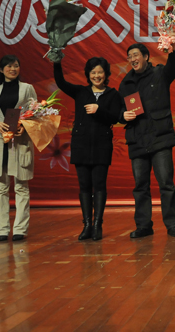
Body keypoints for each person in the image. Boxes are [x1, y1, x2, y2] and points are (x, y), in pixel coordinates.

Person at [119, 42, 175, 238]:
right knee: (140, 186)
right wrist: (123, 115)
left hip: (160, 137)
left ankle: (172, 225)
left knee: (166, 183)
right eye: (129, 56)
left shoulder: (160, 73)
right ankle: (143, 226)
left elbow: (174, 66)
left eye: (136, 55)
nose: (132, 59)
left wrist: (174, 48)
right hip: (137, 139)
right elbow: (119, 109)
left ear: (146, 57)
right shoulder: (126, 83)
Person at [54, 57, 122, 241]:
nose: (96, 76)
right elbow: (60, 82)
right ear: (88, 74)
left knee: (99, 184)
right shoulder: (80, 92)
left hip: (102, 144)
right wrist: (57, 61)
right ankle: (87, 225)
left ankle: (98, 224)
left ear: (106, 74)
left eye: (100, 72)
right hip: (81, 144)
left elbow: (115, 117)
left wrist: (98, 110)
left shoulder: (113, 94)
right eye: (93, 72)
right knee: (84, 185)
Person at [0, 55, 37, 242]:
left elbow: (35, 114)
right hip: (0, 142)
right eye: (8, 66)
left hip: (20, 141)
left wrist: (25, 126)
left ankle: (20, 229)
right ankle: (1, 230)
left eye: (16, 66)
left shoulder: (27, 88)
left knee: (21, 186)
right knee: (1, 187)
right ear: (1, 70)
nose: (12, 69)